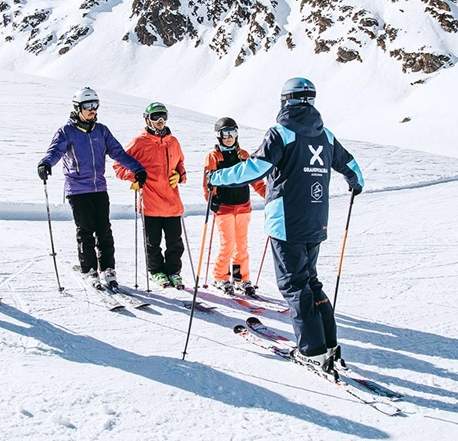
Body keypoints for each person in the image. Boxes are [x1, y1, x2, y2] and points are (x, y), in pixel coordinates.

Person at [208, 77, 363, 377]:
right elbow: (351, 165)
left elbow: (255, 167)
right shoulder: (325, 135)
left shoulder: (281, 133)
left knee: (294, 285)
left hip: (286, 222)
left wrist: (217, 178)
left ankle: (312, 351)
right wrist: (355, 183)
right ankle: (328, 344)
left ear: (285, 101)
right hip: (317, 220)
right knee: (310, 280)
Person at [38, 88, 145, 289]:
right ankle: (89, 270)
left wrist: (137, 168)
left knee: (104, 230)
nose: (92, 110)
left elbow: (118, 152)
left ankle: (108, 269)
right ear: (78, 108)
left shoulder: (101, 131)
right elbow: (55, 151)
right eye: (88, 106)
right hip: (77, 189)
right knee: (86, 231)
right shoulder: (66, 132)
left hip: (99, 188)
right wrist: (45, 164)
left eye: (95, 105)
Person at [115, 102, 187, 289]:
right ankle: (157, 271)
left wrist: (180, 175)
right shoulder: (139, 142)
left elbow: (180, 164)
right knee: (153, 243)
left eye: (163, 115)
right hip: (150, 202)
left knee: (175, 242)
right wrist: (135, 176)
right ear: (147, 119)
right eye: (155, 116)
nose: (160, 120)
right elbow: (118, 165)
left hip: (172, 203)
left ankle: (174, 272)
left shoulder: (173, 142)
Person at [202, 117, 266, 297]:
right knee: (227, 245)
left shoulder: (243, 155)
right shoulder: (214, 156)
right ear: (219, 136)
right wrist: (211, 199)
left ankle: (240, 278)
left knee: (241, 245)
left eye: (233, 133)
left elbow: (256, 180)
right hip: (224, 208)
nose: (229, 137)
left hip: (243, 206)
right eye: (226, 133)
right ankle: (220, 276)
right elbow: (208, 182)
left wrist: (269, 194)